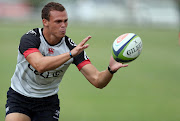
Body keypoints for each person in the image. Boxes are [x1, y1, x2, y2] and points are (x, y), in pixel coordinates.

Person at [5, 2, 128, 121]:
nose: (63, 25)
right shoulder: (31, 38)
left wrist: (110, 70)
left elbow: (97, 80)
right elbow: (39, 65)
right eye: (58, 21)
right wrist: (70, 55)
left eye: (65, 21)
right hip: (20, 96)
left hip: (47, 103)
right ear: (45, 22)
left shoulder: (72, 47)